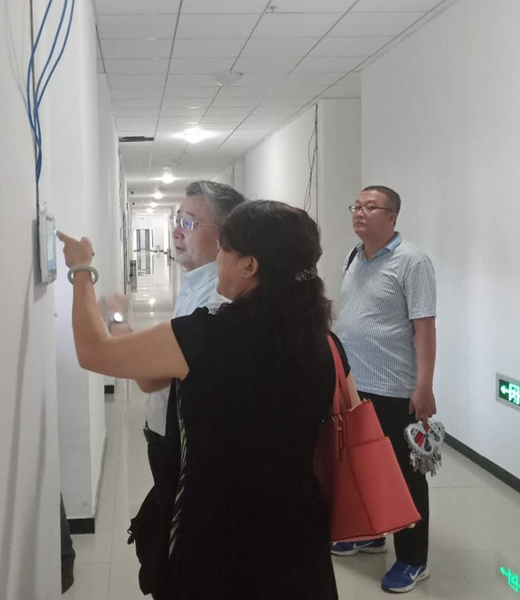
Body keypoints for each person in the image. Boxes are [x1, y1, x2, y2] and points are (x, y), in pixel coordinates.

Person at [58, 201, 363, 600]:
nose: (217, 258)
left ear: (248, 266)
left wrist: (82, 270)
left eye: (224, 249)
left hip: (216, 532)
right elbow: (350, 413)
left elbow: (94, 352)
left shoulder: (201, 337)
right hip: (297, 531)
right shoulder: (326, 343)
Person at [102, 181, 244, 505]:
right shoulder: (195, 283)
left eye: (189, 223)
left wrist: (115, 318)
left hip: (187, 444)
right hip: (169, 435)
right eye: (177, 220)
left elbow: (149, 377)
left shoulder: (216, 299)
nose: (177, 231)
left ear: (223, 236)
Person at [333, 185, 437, 594]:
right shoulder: (354, 256)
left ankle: (413, 558)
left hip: (395, 388)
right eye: (356, 206)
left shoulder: (412, 261)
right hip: (356, 385)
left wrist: (424, 387)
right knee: (363, 466)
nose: (359, 212)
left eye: (369, 207)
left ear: (391, 217)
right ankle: (372, 535)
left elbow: (424, 328)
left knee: (405, 475)